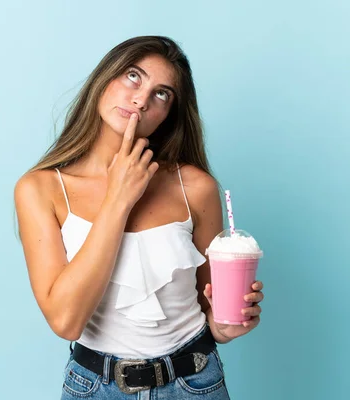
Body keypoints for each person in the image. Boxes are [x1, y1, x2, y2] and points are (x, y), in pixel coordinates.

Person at [14, 35, 264, 399]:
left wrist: (230, 324)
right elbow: (66, 321)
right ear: (105, 77)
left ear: (169, 113)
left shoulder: (195, 187)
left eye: (162, 93)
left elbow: (214, 316)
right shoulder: (40, 189)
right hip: (96, 388)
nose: (141, 99)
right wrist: (119, 198)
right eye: (133, 76)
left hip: (195, 384)